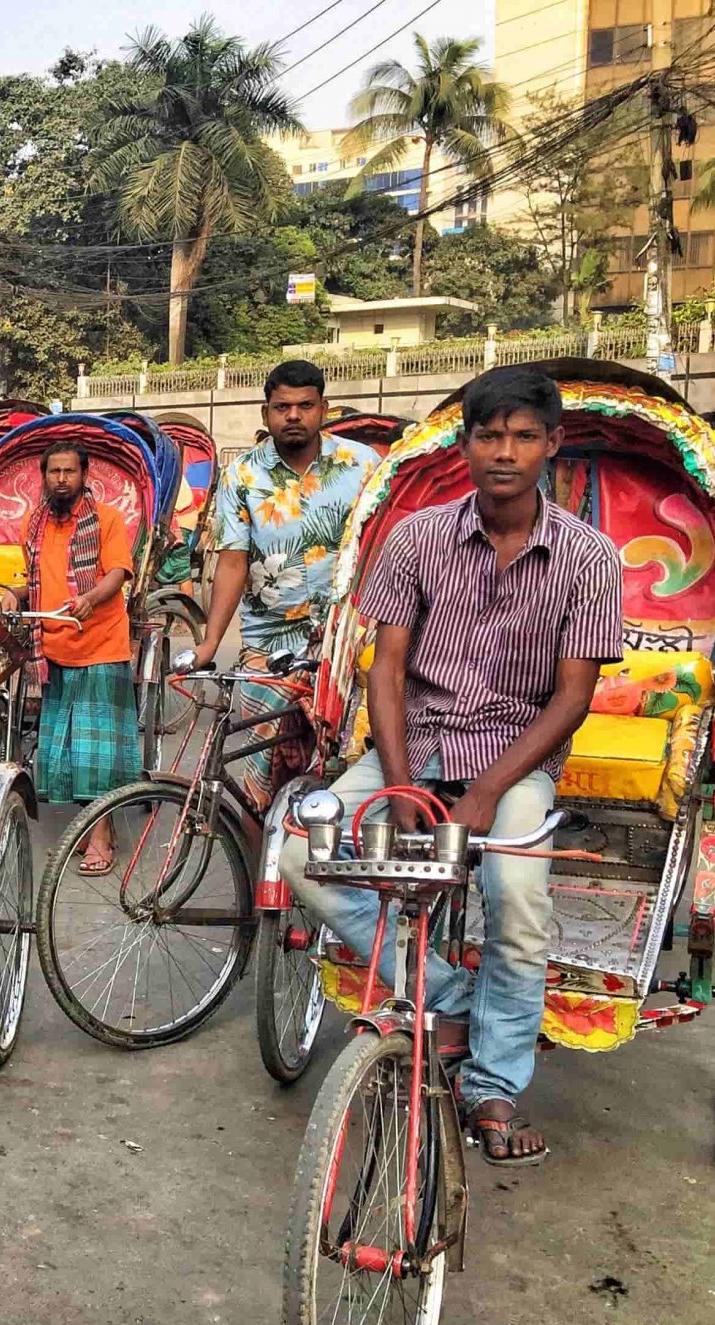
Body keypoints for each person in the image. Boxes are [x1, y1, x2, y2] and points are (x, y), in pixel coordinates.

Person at [280, 366, 623, 1167]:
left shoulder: (589, 556)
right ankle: (448, 994)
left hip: (515, 754)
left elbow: (572, 699)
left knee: (516, 894)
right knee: (302, 855)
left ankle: (495, 1082)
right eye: (489, 435)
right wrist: (398, 783)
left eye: (523, 436)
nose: (505, 452)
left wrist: (487, 792)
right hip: (416, 742)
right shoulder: (417, 537)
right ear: (466, 444)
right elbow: (385, 671)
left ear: (552, 446)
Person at [194, 360, 380, 807]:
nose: (293, 416)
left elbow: (382, 550)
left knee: (342, 776)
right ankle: (263, 875)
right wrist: (210, 641)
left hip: (347, 641)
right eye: (282, 407)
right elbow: (233, 561)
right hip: (267, 644)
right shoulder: (243, 475)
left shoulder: (363, 465)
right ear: (266, 414)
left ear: (324, 408)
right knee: (263, 783)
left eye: (304, 405)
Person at [21, 441, 137, 873]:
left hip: (100, 646)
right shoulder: (33, 525)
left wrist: (91, 597)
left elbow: (117, 573)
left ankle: (102, 838)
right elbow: (32, 579)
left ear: (84, 475)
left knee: (97, 754)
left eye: (70, 471)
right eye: (54, 472)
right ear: (44, 476)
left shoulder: (107, 519)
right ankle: (85, 831)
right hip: (53, 648)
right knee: (68, 753)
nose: (62, 479)